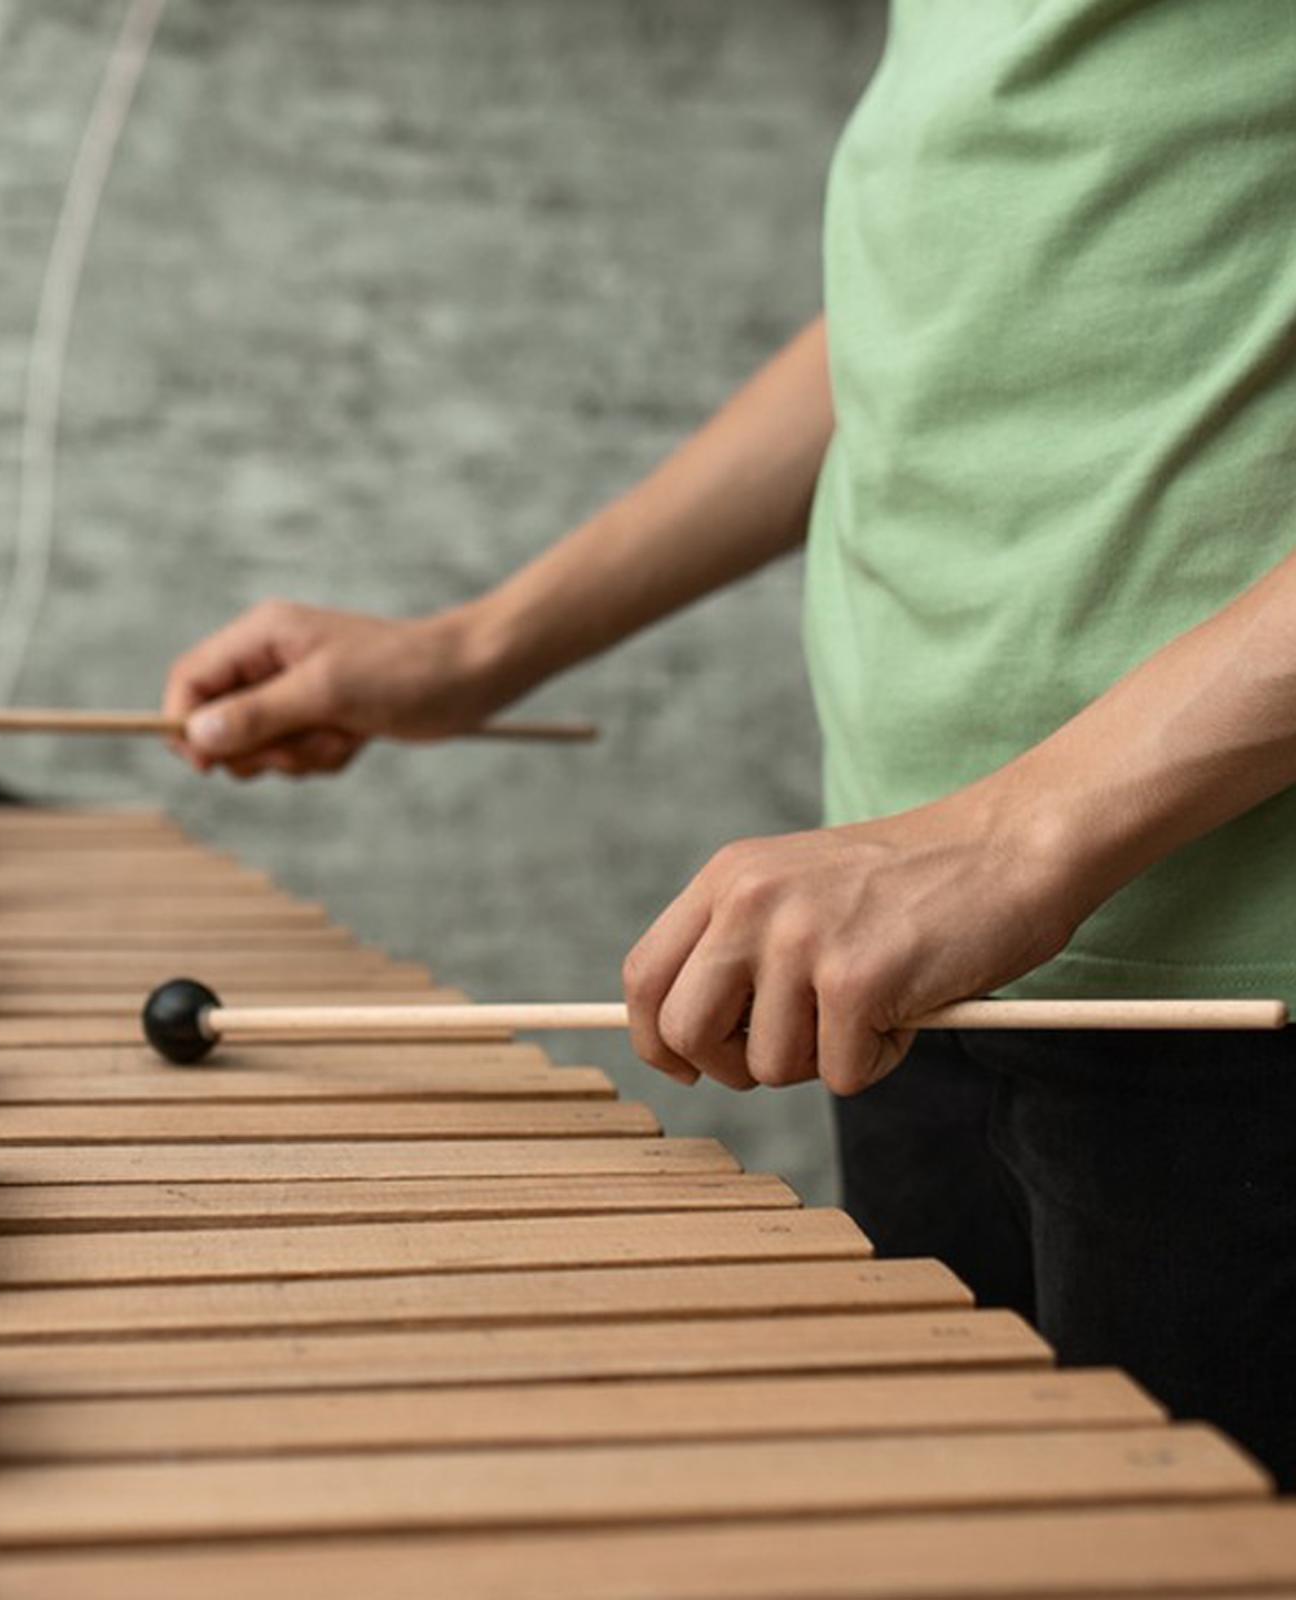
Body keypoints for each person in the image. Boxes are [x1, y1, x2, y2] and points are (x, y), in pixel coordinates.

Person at [164, 3, 1296, 1486]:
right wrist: (478, 647)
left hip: (1232, 994)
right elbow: (951, 308)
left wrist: (1012, 837)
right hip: (903, 959)